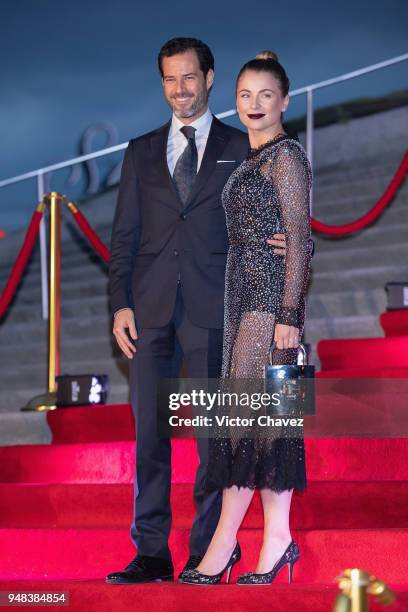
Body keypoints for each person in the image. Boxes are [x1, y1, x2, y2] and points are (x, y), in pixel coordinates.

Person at [105, 38, 294, 585]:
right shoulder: (140, 151)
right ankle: (150, 553)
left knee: (215, 435)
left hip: (218, 309)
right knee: (149, 437)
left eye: (189, 78)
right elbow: (123, 238)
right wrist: (120, 303)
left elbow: (278, 210)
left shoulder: (246, 143)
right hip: (149, 311)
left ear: (209, 79)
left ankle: (207, 550)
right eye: (169, 79)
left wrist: (286, 242)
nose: (179, 90)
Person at [180, 51, 312, 586]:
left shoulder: (286, 157)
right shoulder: (250, 159)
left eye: (265, 95)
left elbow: (300, 237)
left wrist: (290, 316)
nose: (254, 105)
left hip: (269, 307)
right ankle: (265, 539)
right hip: (244, 302)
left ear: (284, 101)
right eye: (244, 95)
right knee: (263, 425)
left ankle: (238, 542)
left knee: (254, 423)